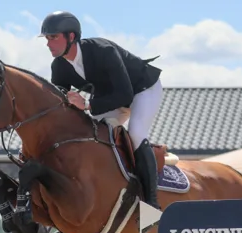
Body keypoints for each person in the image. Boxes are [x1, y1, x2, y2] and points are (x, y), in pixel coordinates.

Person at [39, 10, 163, 210]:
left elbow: (125, 95)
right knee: (94, 134)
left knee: (137, 134)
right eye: (46, 38)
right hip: (110, 99)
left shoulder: (102, 50)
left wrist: (87, 105)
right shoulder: (59, 67)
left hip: (142, 89)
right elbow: (60, 104)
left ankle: (151, 204)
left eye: (53, 37)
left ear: (71, 37)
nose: (48, 43)